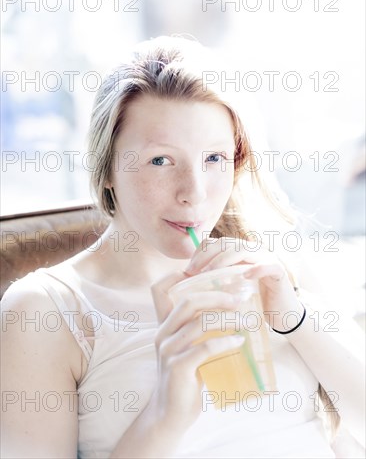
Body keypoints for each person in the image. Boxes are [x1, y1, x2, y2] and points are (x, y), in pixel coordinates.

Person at [1, 36, 365, 459]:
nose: (194, 193)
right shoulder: (46, 311)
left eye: (214, 159)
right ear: (107, 170)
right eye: (161, 160)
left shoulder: (269, 265)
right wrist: (165, 412)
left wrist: (294, 320)